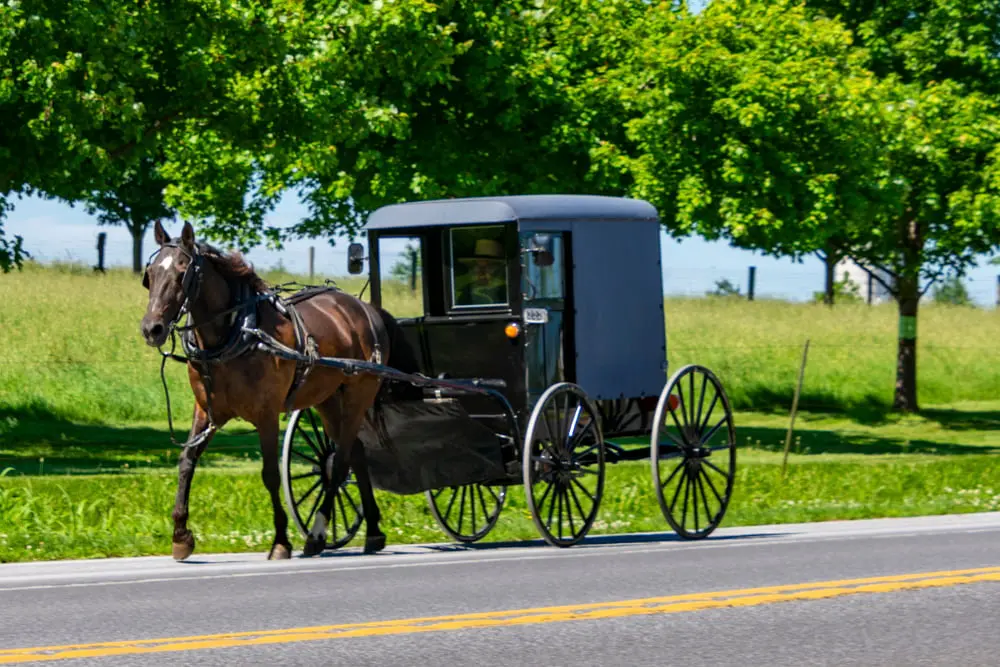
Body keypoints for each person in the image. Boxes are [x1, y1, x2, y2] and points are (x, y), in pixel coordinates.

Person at [455, 237, 507, 305]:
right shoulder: (464, 294)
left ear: (500, 269)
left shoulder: (508, 293)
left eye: (489, 267)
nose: (482, 273)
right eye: (478, 266)